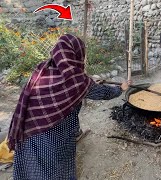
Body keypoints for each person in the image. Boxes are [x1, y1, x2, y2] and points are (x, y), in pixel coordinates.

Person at [7, 34, 130, 179]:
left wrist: (89, 81)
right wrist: (121, 89)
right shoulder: (76, 80)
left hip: (28, 128)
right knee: (52, 169)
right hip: (51, 135)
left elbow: (80, 82)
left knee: (32, 167)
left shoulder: (44, 68)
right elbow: (100, 92)